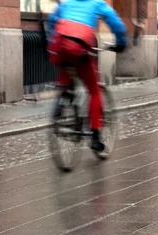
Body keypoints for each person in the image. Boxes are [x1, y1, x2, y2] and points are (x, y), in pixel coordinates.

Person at [46, 0, 127, 152]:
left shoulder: (65, 4)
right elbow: (115, 22)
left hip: (59, 47)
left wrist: (50, 40)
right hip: (80, 47)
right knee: (94, 90)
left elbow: (51, 22)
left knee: (66, 68)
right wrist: (121, 42)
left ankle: (64, 97)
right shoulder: (97, 4)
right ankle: (95, 135)